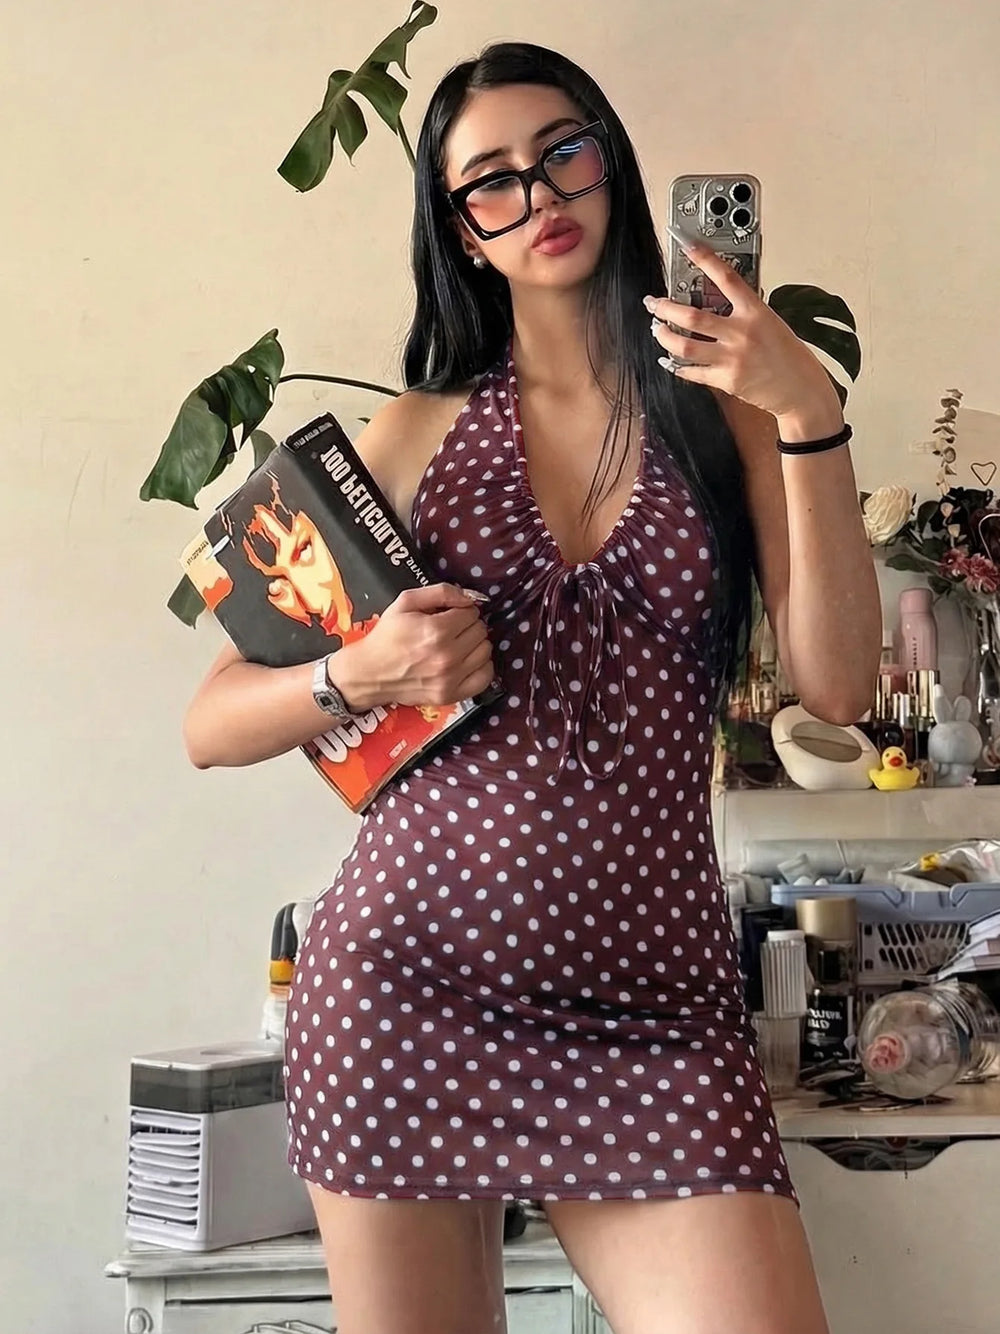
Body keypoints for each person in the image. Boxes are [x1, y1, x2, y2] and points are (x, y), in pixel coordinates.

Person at [183, 41, 880, 1334]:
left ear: (610, 162)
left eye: (563, 153)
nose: (539, 196)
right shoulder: (412, 435)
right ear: (462, 230)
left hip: (656, 1011)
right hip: (404, 990)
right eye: (491, 181)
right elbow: (210, 720)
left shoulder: (727, 411)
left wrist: (807, 410)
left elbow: (836, 687)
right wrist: (362, 668)